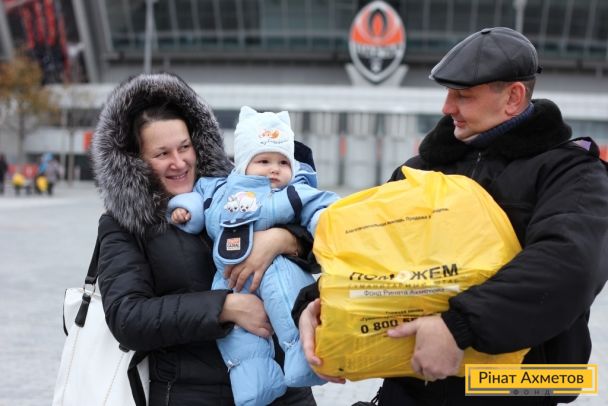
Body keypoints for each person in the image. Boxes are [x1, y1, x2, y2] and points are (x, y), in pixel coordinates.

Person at [294, 27, 608, 406]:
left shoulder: (571, 172)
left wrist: (459, 327)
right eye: (447, 93)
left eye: (463, 95)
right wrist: (316, 303)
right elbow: (374, 257)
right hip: (410, 388)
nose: (447, 107)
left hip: (516, 389)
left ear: (513, 97)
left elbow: (569, 264)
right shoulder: (420, 169)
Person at [90, 72, 318, 406]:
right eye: (162, 154)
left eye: (185, 147)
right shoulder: (125, 223)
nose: (179, 162)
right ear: (135, 161)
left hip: (286, 392)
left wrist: (284, 240)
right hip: (193, 393)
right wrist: (224, 308)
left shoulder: (240, 188)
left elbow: (321, 242)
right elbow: (128, 317)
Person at [169, 106, 338, 405]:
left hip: (277, 269)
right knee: (238, 339)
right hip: (230, 280)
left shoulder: (290, 192)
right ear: (243, 163)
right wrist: (185, 211)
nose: (274, 169)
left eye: (283, 162)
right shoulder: (222, 190)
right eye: (263, 161)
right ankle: (255, 384)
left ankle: (305, 359)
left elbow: (319, 207)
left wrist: (324, 221)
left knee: (289, 307)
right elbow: (199, 199)